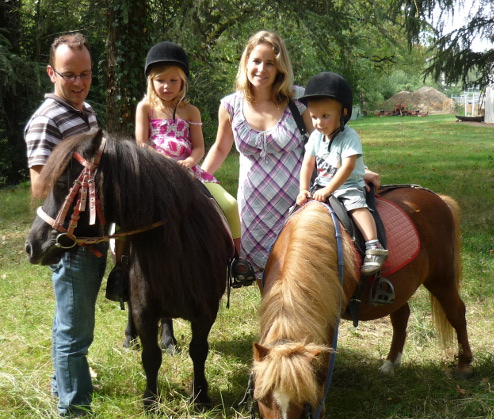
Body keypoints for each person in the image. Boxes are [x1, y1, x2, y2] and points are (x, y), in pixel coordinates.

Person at [110, 41, 254, 290]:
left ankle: (236, 261)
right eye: (160, 80)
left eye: (173, 81)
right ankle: (121, 267)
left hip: (188, 171)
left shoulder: (191, 111)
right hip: (153, 172)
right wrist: (162, 163)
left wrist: (189, 161)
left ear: (183, 81)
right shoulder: (145, 108)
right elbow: (142, 144)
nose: (166, 87)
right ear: (151, 81)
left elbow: (198, 147)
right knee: (125, 215)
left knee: (230, 205)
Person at [25, 33, 107, 417]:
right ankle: (73, 409)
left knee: (70, 320)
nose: (78, 82)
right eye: (69, 74)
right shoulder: (46, 120)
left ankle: (63, 386)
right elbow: (41, 186)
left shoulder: (86, 111)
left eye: (85, 73)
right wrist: (79, 165)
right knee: (75, 330)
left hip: (94, 231)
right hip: (70, 237)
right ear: (51, 73)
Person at [201, 31, 315, 288]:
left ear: (280, 67)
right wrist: (198, 180)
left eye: (270, 62)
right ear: (246, 63)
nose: (261, 68)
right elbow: (220, 148)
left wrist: (355, 169)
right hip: (252, 211)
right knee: (265, 280)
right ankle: (274, 326)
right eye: (256, 61)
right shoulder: (230, 106)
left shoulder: (299, 102)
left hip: (296, 204)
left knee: (298, 272)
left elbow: (323, 145)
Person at [296, 72, 388, 275]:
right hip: (322, 186)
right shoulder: (315, 138)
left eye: (325, 116)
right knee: (297, 213)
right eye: (314, 117)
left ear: (343, 113)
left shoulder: (349, 137)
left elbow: (347, 168)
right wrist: (303, 189)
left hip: (348, 185)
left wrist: (329, 190)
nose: (319, 123)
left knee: (356, 207)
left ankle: (374, 245)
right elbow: (307, 165)